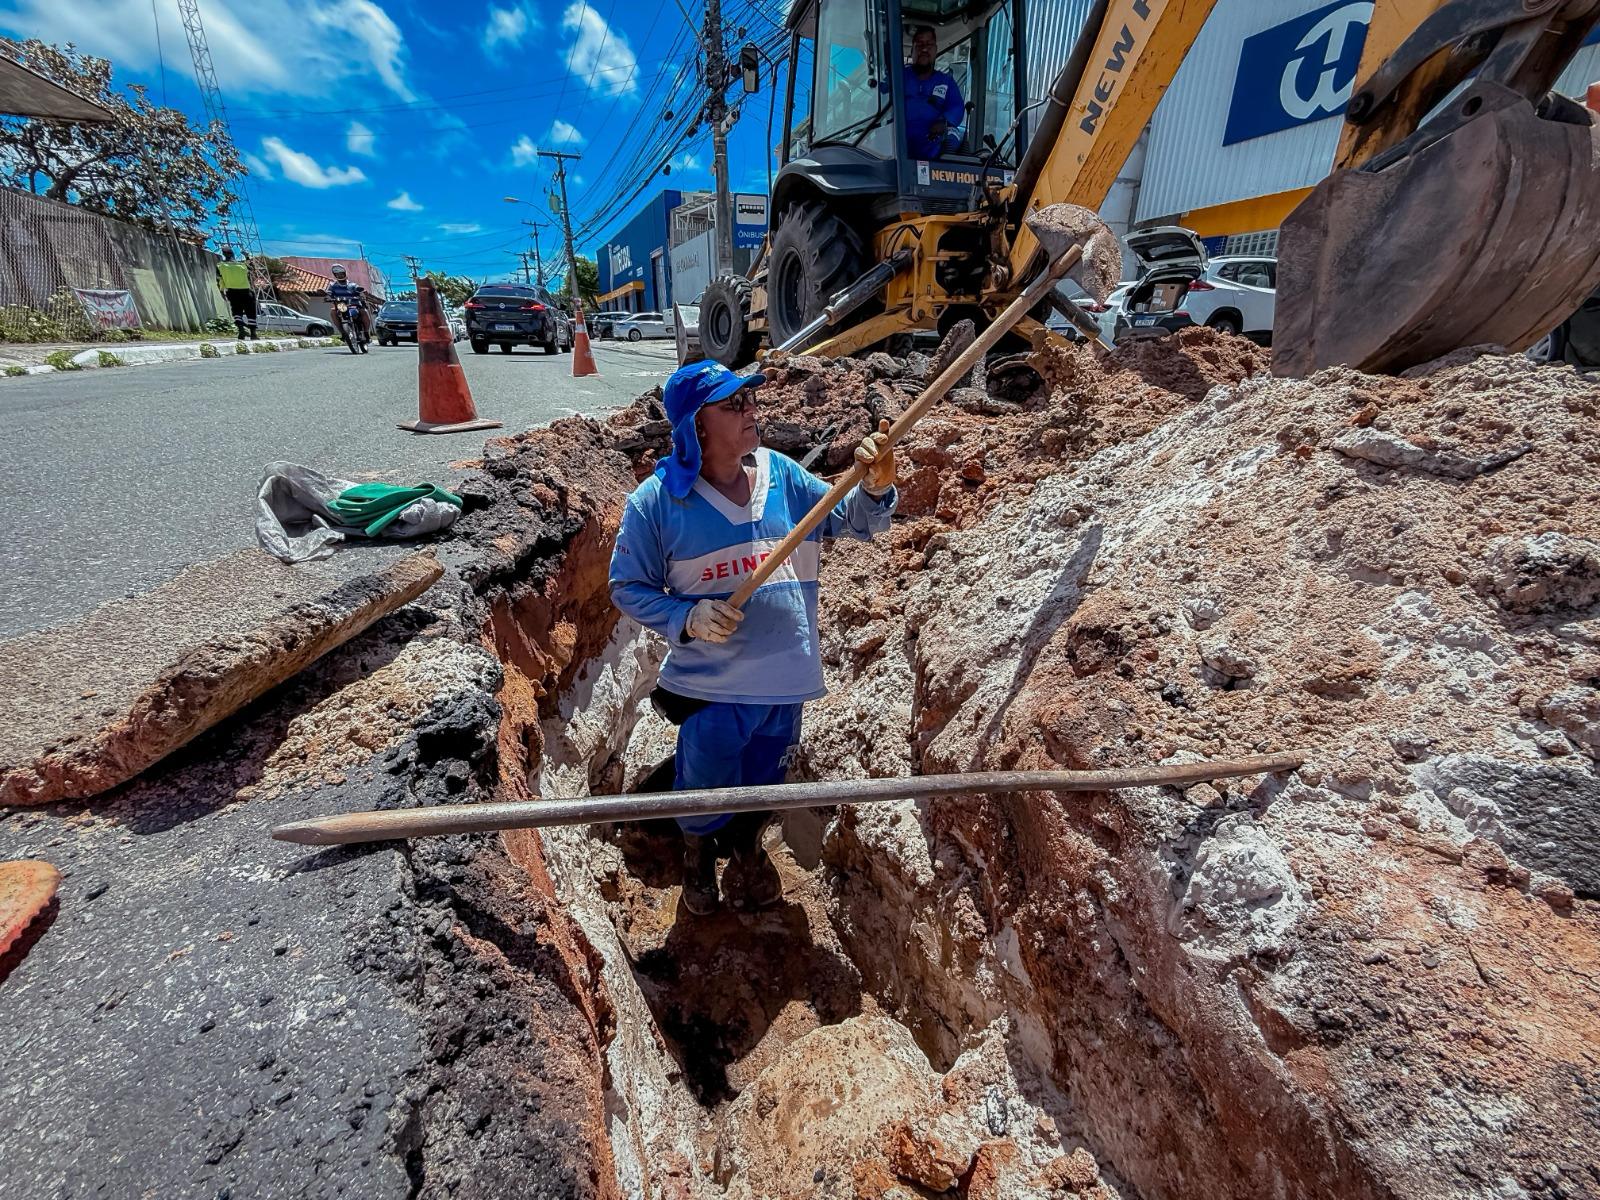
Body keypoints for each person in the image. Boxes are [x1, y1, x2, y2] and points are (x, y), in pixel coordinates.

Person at [609, 360, 898, 915]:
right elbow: (627, 587)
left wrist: (877, 487)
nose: (751, 411)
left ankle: (746, 846)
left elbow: (858, 523)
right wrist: (686, 619)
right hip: (716, 692)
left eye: (749, 400)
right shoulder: (658, 503)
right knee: (705, 788)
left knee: (765, 780)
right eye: (733, 405)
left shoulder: (782, 476)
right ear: (695, 425)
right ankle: (696, 855)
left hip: (787, 687)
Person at [903, 24, 964, 160]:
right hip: (897, 148)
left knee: (954, 135)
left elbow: (957, 108)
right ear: (911, 50)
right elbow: (877, 100)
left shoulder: (946, 82)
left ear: (936, 50)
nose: (924, 48)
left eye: (929, 44)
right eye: (919, 44)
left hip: (933, 150)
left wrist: (943, 121)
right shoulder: (898, 77)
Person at [216, 247, 257, 340]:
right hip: (246, 291)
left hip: (232, 291)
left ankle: (241, 330)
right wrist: (247, 257)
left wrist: (222, 291)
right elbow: (252, 269)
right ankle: (253, 334)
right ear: (233, 254)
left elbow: (219, 280)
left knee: (236, 311)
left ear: (224, 254)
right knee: (250, 312)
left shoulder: (220, 266)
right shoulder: (242, 265)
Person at [326, 264, 369, 343]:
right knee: (333, 312)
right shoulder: (332, 286)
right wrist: (327, 297)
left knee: (364, 312)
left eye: (341, 273)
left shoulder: (352, 285)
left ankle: (366, 333)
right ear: (335, 275)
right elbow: (329, 293)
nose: (340, 275)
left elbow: (358, 289)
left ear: (345, 273)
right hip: (341, 306)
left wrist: (360, 291)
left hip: (354, 305)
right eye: (337, 274)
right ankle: (343, 333)